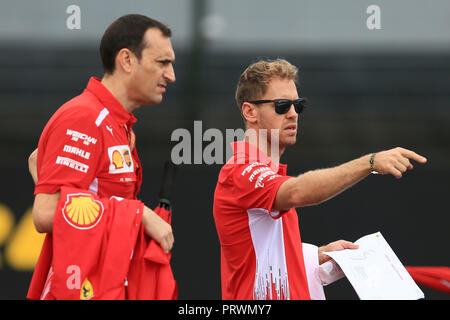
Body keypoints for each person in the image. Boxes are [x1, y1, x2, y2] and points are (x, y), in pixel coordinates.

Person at [212, 58, 427, 300]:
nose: (293, 113)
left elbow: (259, 256)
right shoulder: (241, 170)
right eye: (282, 105)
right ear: (250, 111)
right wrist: (370, 162)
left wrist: (319, 255)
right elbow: (297, 193)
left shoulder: (262, 173)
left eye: (298, 105)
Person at [27, 14, 176, 300]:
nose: (171, 75)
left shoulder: (116, 124)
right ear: (127, 60)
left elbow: (48, 170)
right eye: (162, 62)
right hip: (79, 289)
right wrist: (139, 214)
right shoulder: (84, 117)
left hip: (105, 283)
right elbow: (45, 213)